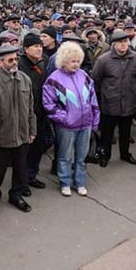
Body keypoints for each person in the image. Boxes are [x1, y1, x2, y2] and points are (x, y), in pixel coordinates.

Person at [0, 45, 36, 217]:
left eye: (16, 59)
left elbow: (30, 108)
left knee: (20, 169)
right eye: (10, 60)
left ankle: (16, 195)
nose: (14, 63)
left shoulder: (25, 79)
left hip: (22, 135)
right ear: (0, 62)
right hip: (1, 137)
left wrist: (32, 130)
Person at [43, 42, 100, 196]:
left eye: (77, 61)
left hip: (86, 124)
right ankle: (65, 182)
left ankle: (80, 182)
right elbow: (49, 104)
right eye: (72, 61)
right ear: (63, 61)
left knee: (81, 157)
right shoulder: (53, 79)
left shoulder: (84, 76)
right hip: (66, 126)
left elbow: (93, 99)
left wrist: (95, 119)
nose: (76, 64)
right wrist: (64, 118)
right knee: (65, 156)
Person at [92, 31, 136, 165]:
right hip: (109, 103)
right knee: (107, 133)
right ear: (114, 44)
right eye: (120, 42)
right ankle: (105, 155)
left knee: (125, 132)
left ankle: (125, 154)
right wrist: (102, 97)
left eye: (125, 41)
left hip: (129, 102)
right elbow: (96, 80)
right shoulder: (103, 60)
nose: (123, 44)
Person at [18, 33, 48, 194]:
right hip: (24, 116)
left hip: (40, 114)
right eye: (35, 46)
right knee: (24, 152)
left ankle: (31, 176)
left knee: (37, 149)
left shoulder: (42, 64)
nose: (39, 49)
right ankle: (21, 183)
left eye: (40, 46)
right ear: (25, 49)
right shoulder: (20, 65)